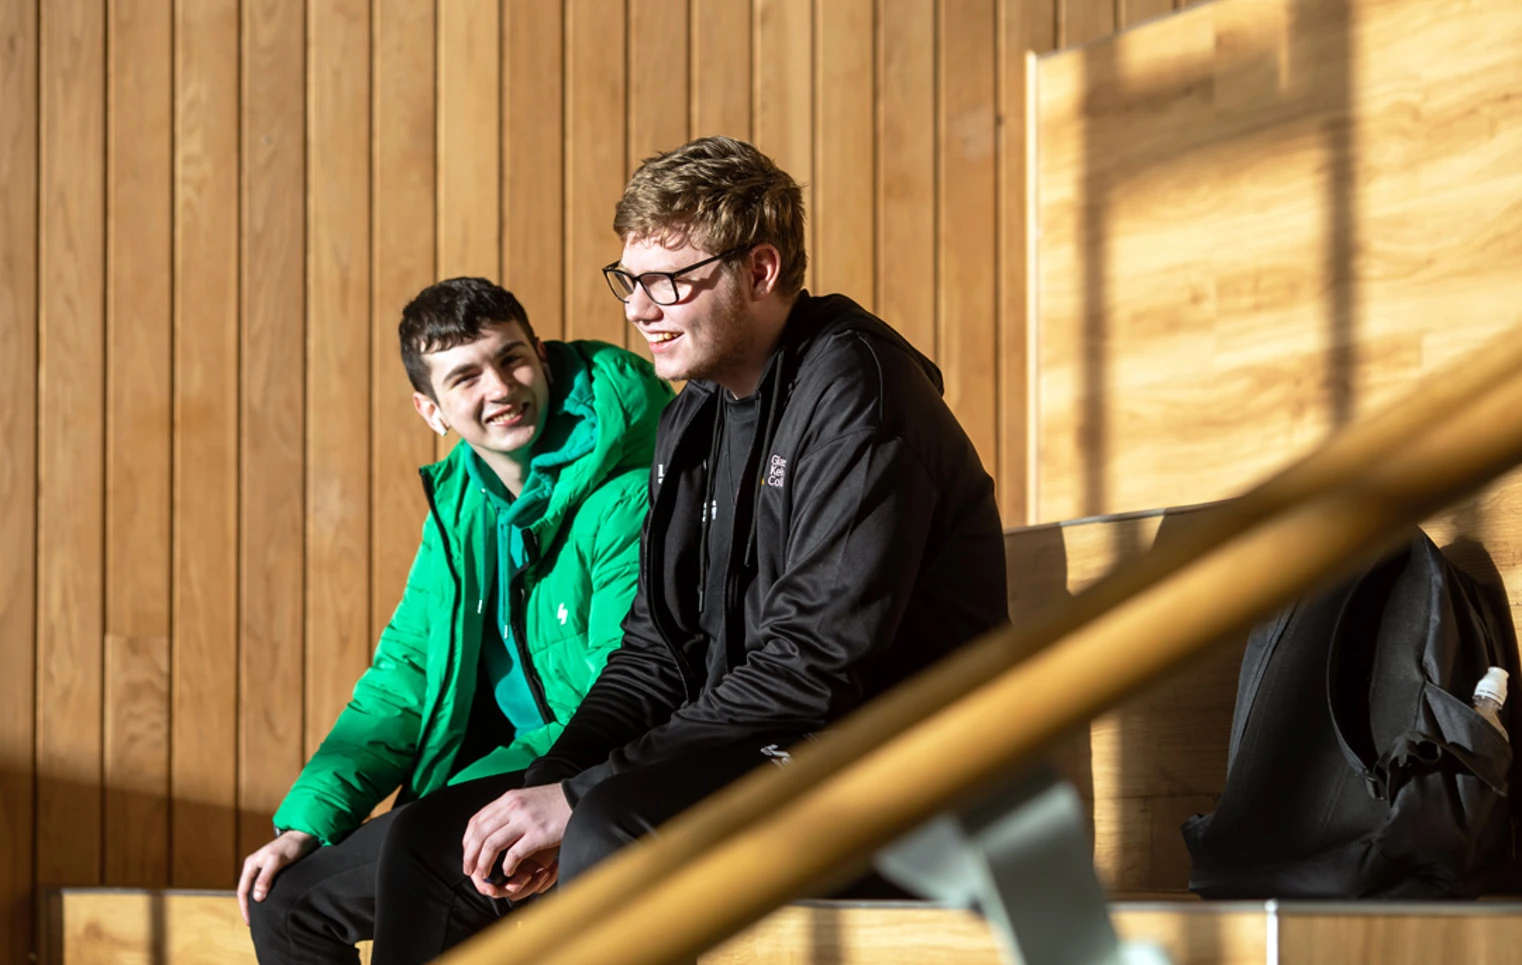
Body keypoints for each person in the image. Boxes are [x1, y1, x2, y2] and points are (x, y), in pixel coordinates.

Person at [361, 135, 1010, 964]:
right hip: (767, 742)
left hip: (893, 766)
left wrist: (583, 794)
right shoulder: (693, 414)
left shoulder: (860, 394)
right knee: (426, 835)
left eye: (669, 281)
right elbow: (655, 650)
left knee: (610, 824)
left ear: (762, 270)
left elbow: (813, 664)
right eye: (629, 280)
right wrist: (546, 781)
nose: (639, 308)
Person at [241, 277, 673, 964]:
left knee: (424, 853)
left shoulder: (624, 488)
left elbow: (629, 684)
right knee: (286, 899)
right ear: (431, 408)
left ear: (543, 355)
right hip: (478, 781)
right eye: (466, 376)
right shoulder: (459, 505)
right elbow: (404, 677)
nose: (499, 388)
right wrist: (308, 821)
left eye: (511, 358)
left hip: (579, 772)